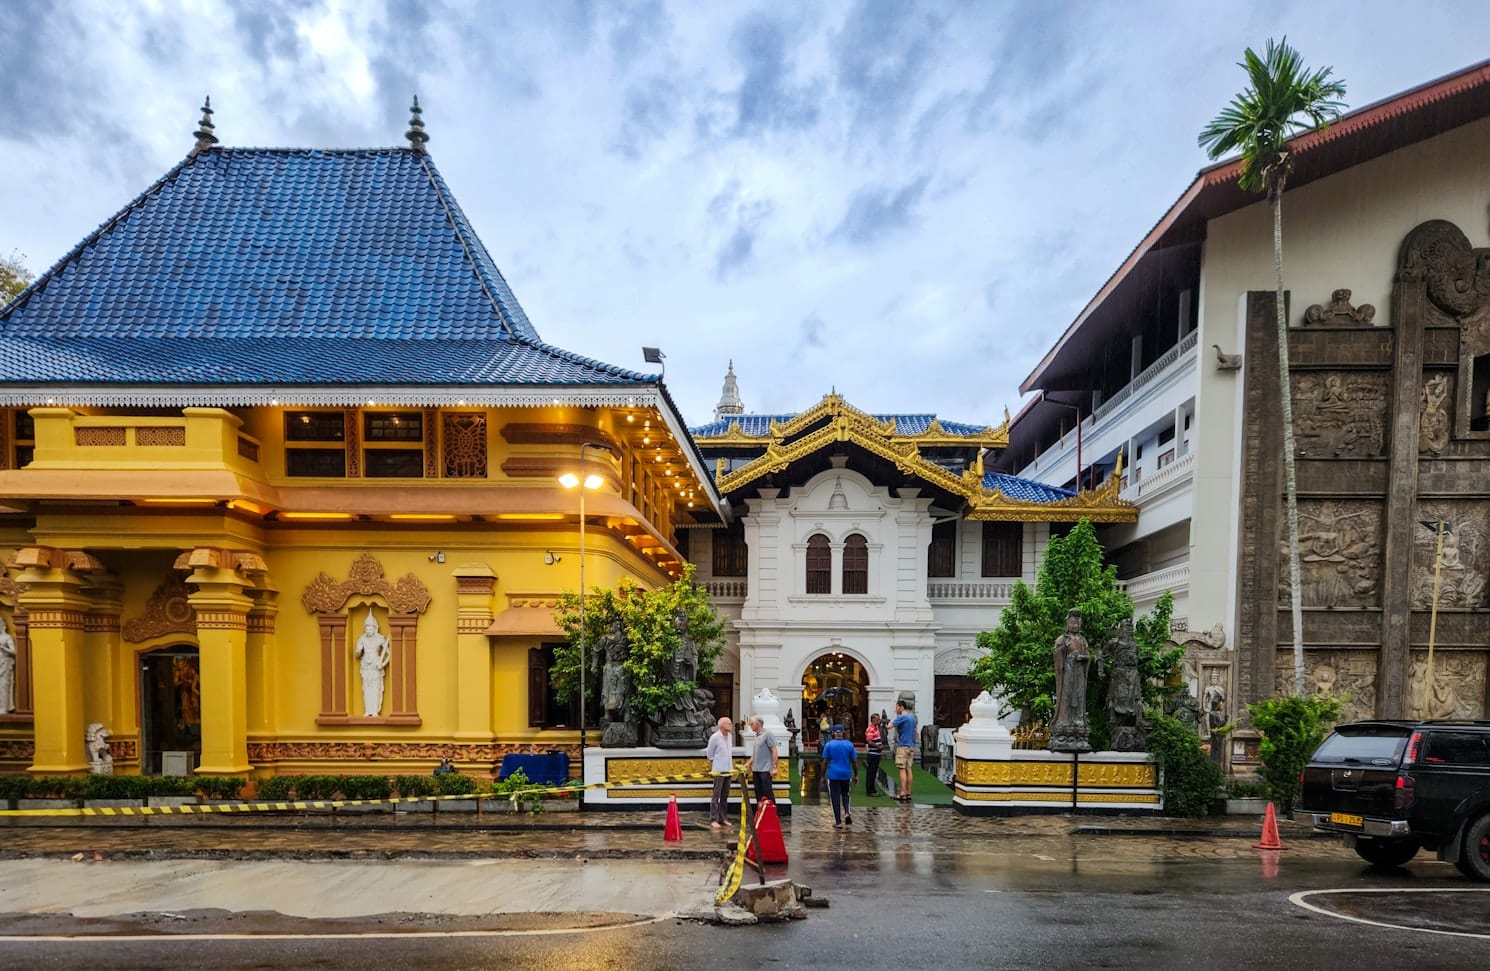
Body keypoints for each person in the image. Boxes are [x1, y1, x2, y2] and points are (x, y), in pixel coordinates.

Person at [355, 608, 392, 717]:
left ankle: (375, 711)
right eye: (366, 627)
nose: (368, 630)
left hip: (376, 666)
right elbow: (357, 655)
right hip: (365, 666)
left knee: (376, 688)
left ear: (375, 628)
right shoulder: (361, 639)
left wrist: (383, 664)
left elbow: (389, 654)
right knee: (366, 689)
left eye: (370, 627)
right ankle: (368, 710)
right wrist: (358, 650)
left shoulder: (380, 639)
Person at [820, 724, 859, 828]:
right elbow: (855, 761)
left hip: (833, 775)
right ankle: (846, 811)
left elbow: (824, 762)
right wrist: (856, 775)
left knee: (835, 798)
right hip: (846, 774)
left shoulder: (829, 745)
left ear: (833, 733)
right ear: (843, 733)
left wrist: (822, 776)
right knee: (846, 794)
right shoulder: (849, 745)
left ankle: (838, 821)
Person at [706, 716, 734, 829]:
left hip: (728, 769)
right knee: (716, 794)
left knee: (725, 795)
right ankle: (713, 818)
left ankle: (723, 817)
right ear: (722, 725)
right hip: (719, 770)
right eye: (728, 723)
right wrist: (717, 763)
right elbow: (710, 754)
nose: (731, 725)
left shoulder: (730, 736)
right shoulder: (715, 737)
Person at [748, 715, 778, 810]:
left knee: (767, 791)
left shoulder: (768, 734)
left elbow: (774, 750)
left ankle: (772, 812)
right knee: (758, 792)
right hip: (756, 769)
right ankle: (761, 812)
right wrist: (748, 763)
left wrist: (774, 766)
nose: (750, 725)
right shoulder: (757, 736)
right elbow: (755, 754)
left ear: (758, 724)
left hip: (765, 769)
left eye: (751, 724)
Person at [891, 700, 917, 803]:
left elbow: (889, 726)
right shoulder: (913, 717)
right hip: (911, 745)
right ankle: (908, 792)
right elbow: (915, 732)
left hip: (903, 745)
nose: (896, 709)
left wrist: (893, 719)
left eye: (897, 707)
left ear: (901, 707)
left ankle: (902, 792)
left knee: (902, 769)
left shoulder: (901, 717)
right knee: (909, 769)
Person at [864, 712, 884, 796]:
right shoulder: (870, 729)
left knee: (873, 772)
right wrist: (878, 746)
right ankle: (870, 791)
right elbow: (869, 741)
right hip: (873, 754)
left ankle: (872, 789)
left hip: (876, 754)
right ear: (873, 720)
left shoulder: (876, 728)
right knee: (871, 772)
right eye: (877, 719)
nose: (879, 721)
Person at [0, 617, 16, 714]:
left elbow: (14, 651)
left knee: (3, 686)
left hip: (5, 663)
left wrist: (3, 648)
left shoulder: (7, 637)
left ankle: (3, 707)